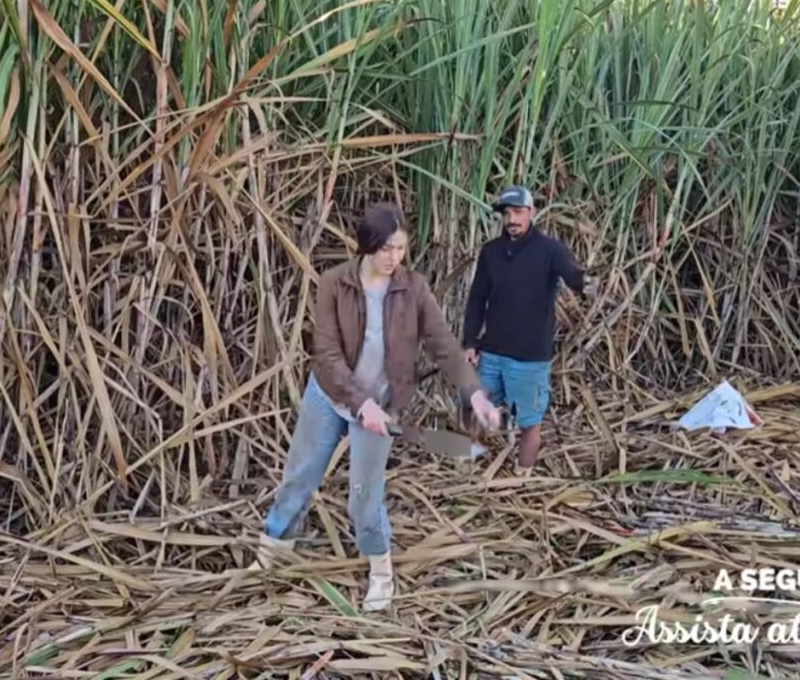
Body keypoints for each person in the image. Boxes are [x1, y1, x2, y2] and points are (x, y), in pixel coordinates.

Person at [253, 203, 501, 613]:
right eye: (386, 249)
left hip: (382, 407)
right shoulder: (335, 283)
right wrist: (359, 401)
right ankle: (271, 553)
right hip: (330, 396)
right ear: (367, 245)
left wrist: (473, 393)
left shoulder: (413, 289)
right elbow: (327, 354)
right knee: (300, 476)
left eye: (400, 249)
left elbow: (442, 344)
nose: (393, 259)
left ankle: (381, 574)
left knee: (364, 500)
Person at [461, 186, 595, 476]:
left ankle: (522, 478)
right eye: (507, 213)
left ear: (531, 212)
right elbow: (477, 299)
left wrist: (587, 283)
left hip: (529, 357)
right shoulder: (491, 252)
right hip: (492, 351)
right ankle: (469, 467)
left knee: (529, 423)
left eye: (518, 212)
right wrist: (470, 342)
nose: (512, 219)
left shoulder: (550, 250)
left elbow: (572, 274)